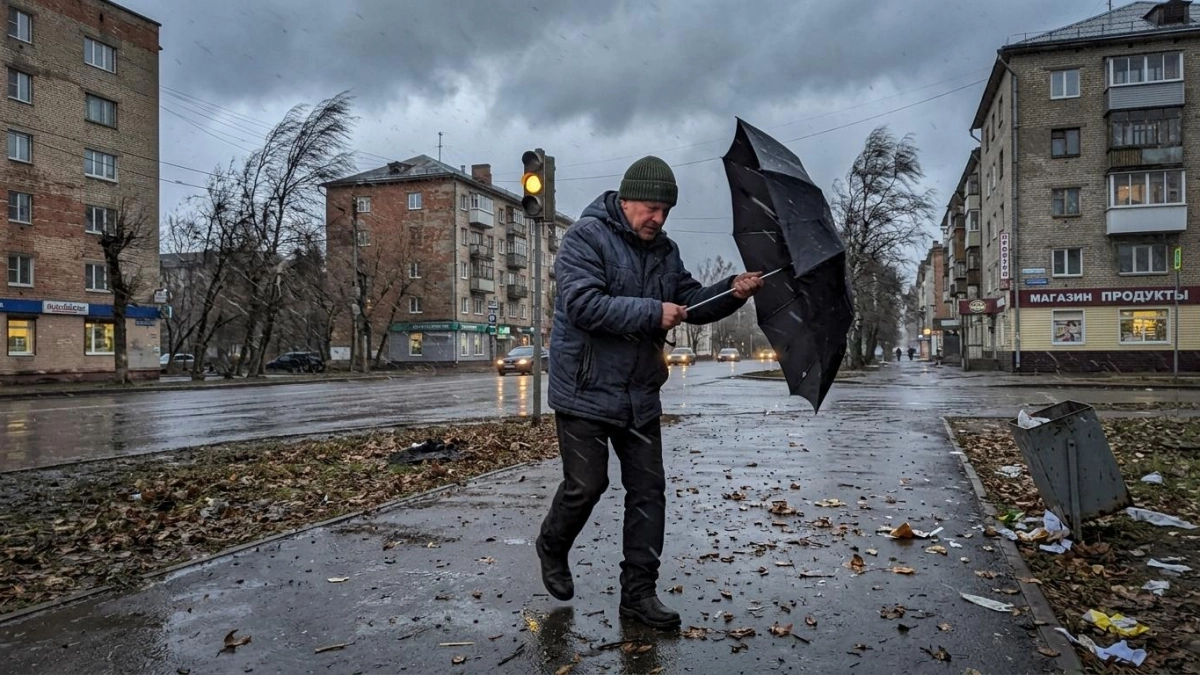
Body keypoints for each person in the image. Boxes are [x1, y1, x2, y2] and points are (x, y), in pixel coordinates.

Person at [537, 156, 764, 630]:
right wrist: (651, 313)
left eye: (665, 211)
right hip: (584, 389)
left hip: (639, 393)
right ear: (625, 200)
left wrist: (733, 291)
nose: (657, 218)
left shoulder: (666, 252)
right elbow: (582, 304)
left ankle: (638, 596)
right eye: (651, 208)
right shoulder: (584, 237)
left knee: (648, 493)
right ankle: (552, 544)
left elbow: (692, 303)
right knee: (587, 485)